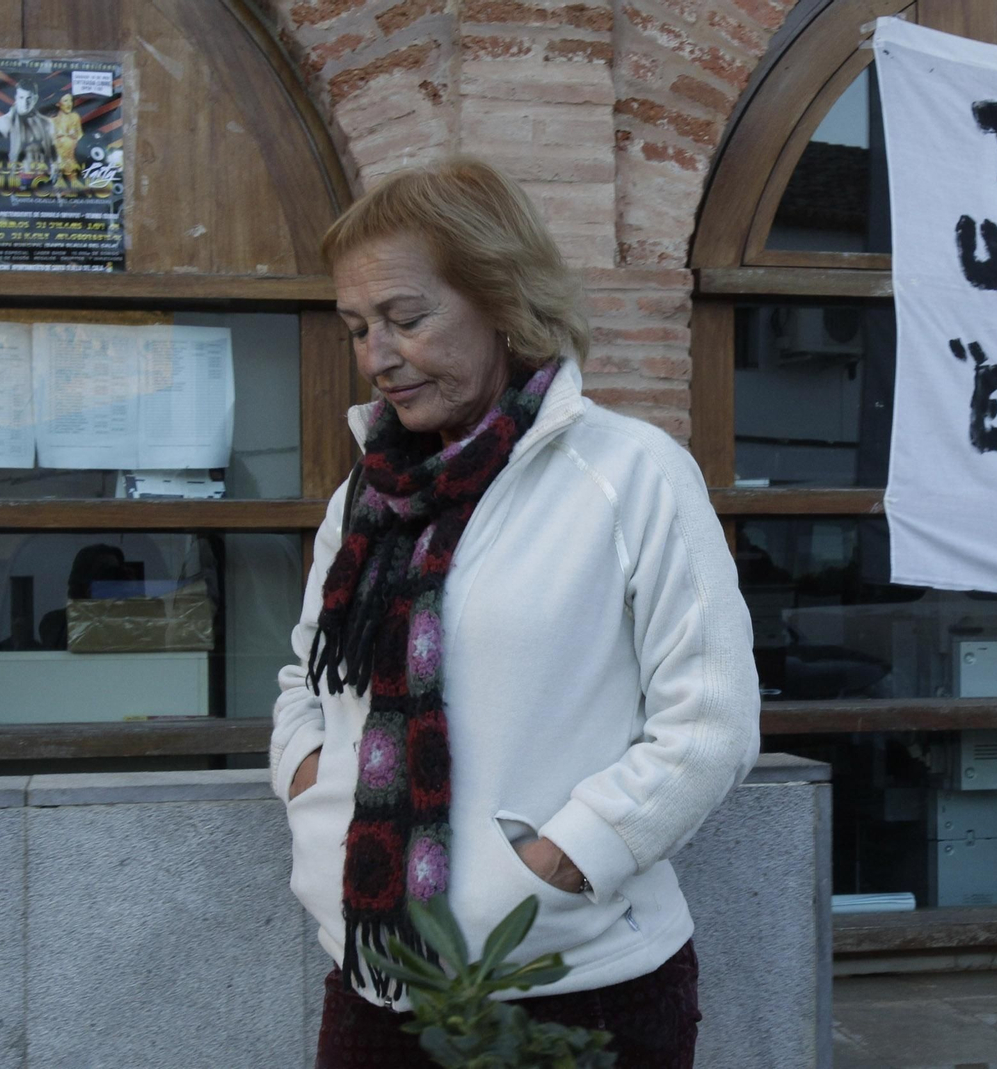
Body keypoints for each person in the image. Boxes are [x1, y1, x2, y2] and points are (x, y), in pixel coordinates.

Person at [269, 158, 760, 1068]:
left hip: (577, 985)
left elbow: (712, 720)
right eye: (359, 327)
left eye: (406, 318)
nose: (377, 356)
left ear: (502, 296)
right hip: (376, 975)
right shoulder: (365, 497)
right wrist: (309, 774)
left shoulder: (631, 474)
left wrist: (565, 859)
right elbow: (309, 676)